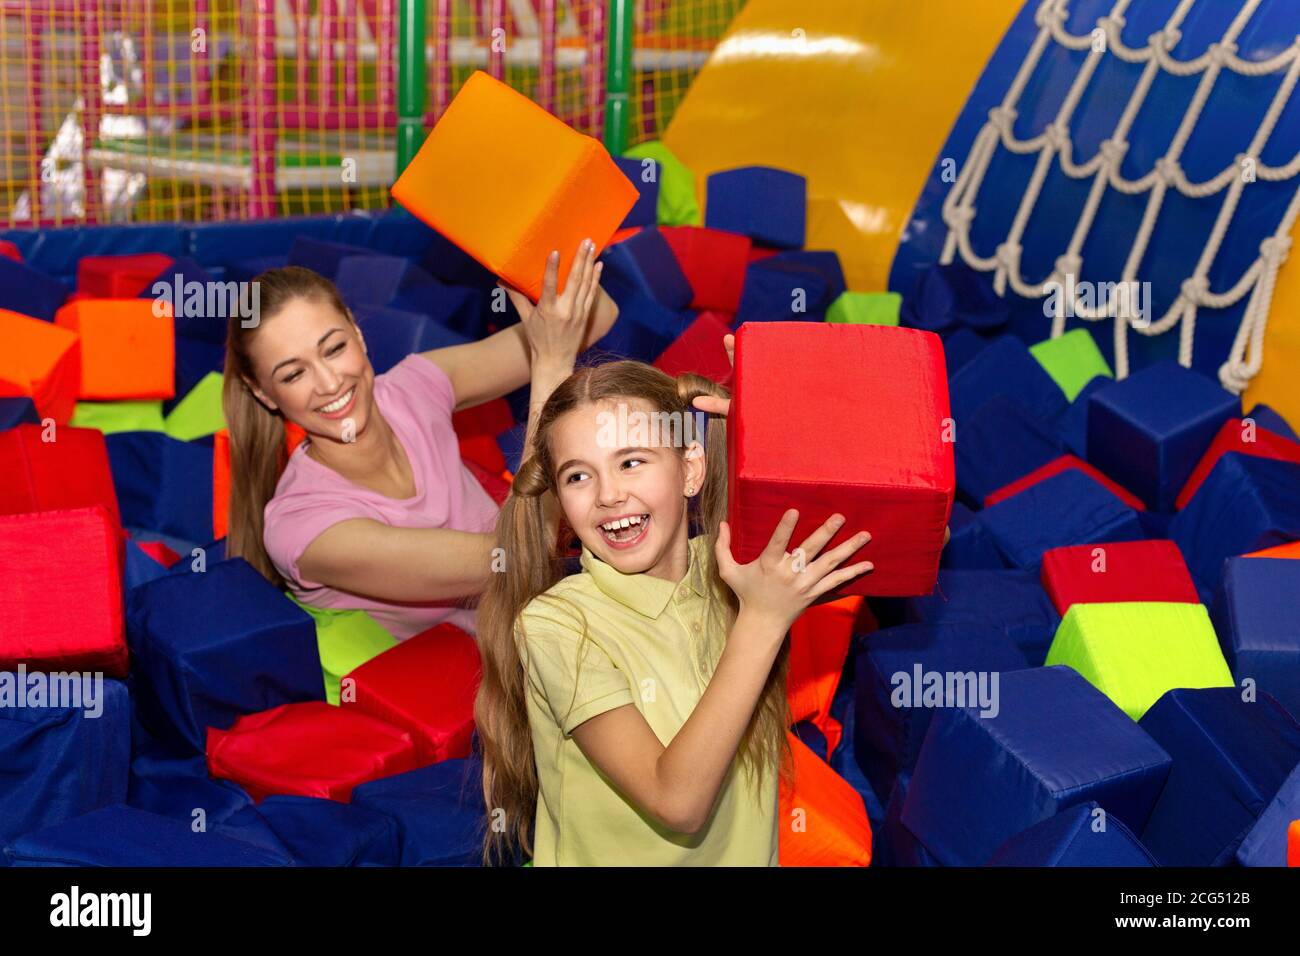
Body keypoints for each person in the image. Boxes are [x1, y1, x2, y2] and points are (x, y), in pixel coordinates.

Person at [474, 359, 874, 865]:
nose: (609, 494)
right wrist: (763, 620)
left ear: (690, 469)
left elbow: (912, 541)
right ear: (561, 501)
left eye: (632, 461)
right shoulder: (558, 624)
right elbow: (676, 801)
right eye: (579, 476)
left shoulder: (739, 567)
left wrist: (783, 438)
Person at [222, 241, 613, 639]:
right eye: (293, 375)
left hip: (559, 613)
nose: (329, 382)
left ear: (358, 334)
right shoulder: (301, 527)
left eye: (334, 348)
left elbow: (598, 315)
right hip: (498, 680)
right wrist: (551, 363)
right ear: (264, 394)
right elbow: (519, 558)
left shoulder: (413, 388)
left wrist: (533, 246)